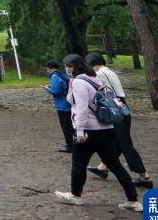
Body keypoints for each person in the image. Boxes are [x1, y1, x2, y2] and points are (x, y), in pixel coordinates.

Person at [54, 54, 142, 211]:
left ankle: (75, 195)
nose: (66, 69)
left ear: (72, 67)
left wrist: (79, 130)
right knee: (115, 165)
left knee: (79, 163)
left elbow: (81, 107)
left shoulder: (79, 82)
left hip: (89, 129)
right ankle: (133, 199)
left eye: (67, 66)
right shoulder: (93, 79)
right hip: (106, 129)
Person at [84, 52, 153, 188]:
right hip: (121, 106)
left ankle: (144, 175)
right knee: (117, 141)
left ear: (93, 64)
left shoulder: (100, 73)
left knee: (124, 143)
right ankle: (103, 167)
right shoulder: (110, 71)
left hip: (114, 108)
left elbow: (92, 86)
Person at [44, 61, 73, 152]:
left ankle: (70, 145)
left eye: (47, 69)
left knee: (66, 127)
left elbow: (56, 92)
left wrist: (47, 88)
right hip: (69, 104)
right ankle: (76, 143)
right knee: (71, 125)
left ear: (52, 68)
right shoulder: (62, 74)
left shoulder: (54, 76)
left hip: (62, 105)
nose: (47, 71)